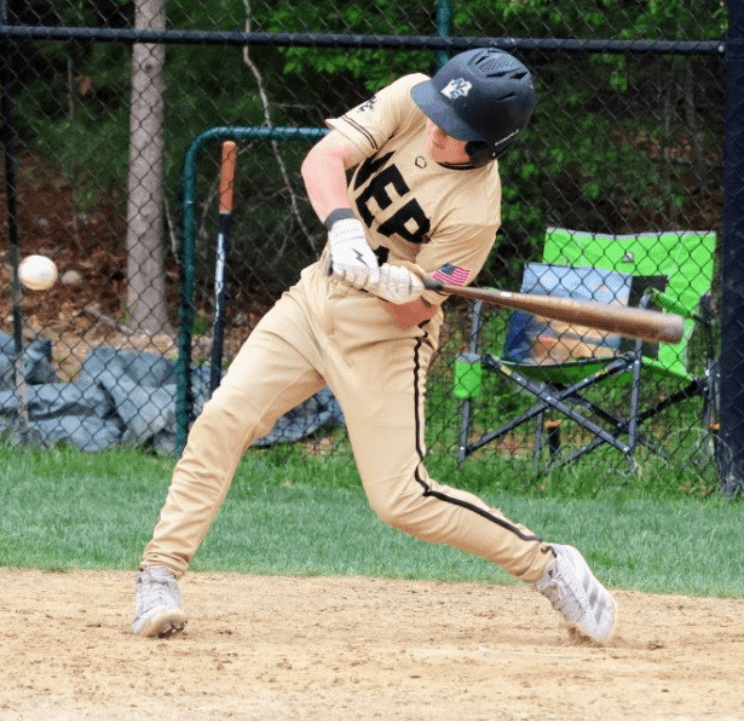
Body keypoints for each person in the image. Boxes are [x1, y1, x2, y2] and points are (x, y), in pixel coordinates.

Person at [131, 48, 618, 644]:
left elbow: (415, 309)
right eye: (438, 113)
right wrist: (343, 227)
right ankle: (160, 574)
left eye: (453, 130)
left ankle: (548, 566)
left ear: (485, 148)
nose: (436, 128)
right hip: (313, 302)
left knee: (402, 499)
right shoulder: (412, 97)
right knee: (221, 421)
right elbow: (323, 158)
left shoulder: (474, 215)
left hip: (386, 340)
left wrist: (395, 284)